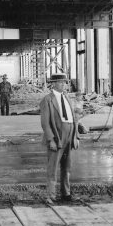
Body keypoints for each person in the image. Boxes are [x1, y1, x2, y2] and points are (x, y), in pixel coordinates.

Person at [39, 72, 81, 204]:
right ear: (54, 84)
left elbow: (73, 118)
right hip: (57, 136)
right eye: (62, 82)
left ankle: (66, 194)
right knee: (53, 167)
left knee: (66, 167)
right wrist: (50, 139)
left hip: (69, 134)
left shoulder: (67, 97)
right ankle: (50, 196)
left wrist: (76, 136)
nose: (65, 85)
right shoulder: (47, 100)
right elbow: (45, 123)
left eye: (65, 82)